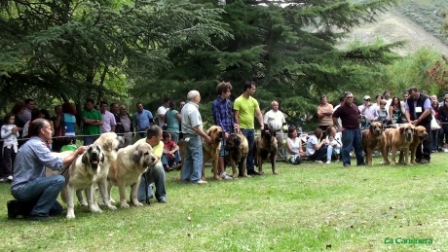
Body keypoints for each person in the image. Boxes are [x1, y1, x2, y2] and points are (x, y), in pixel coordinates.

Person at [9, 119, 87, 220]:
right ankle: (39, 213)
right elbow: (58, 164)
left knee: (57, 209)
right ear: (42, 131)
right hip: (23, 188)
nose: (51, 131)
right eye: (49, 129)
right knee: (59, 180)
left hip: (27, 187)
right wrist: (77, 152)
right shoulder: (36, 145)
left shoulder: (33, 143)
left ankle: (17, 207)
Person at [233, 81, 264, 176]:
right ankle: (241, 170)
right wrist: (239, 129)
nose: (254, 90)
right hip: (242, 129)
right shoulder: (238, 101)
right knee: (241, 149)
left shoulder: (254, 101)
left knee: (250, 149)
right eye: (253, 89)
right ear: (247, 89)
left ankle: (250, 169)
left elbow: (258, 114)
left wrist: (262, 124)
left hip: (251, 129)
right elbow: (236, 116)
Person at [181, 90, 211, 184]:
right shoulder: (193, 110)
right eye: (199, 96)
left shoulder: (184, 107)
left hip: (186, 136)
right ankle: (196, 178)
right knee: (197, 156)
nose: (200, 97)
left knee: (188, 157)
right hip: (193, 136)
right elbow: (196, 128)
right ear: (195, 98)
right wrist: (206, 136)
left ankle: (185, 177)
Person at [212, 81, 237, 180]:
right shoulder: (216, 104)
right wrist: (223, 132)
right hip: (221, 132)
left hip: (229, 130)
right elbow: (218, 120)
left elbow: (230, 117)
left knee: (226, 151)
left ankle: (222, 171)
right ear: (223, 92)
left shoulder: (228, 102)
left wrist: (234, 125)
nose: (230, 93)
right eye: (228, 91)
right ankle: (222, 173)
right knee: (221, 152)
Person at [332, 92, 365, 167]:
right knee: (347, 147)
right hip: (347, 130)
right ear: (345, 99)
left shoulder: (355, 106)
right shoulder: (341, 108)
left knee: (358, 146)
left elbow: (358, 114)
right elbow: (334, 116)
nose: (350, 99)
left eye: (351, 97)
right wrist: (338, 126)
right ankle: (346, 162)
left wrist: (361, 116)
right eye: (348, 97)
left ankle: (360, 162)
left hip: (356, 129)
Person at [136, 125, 168, 203]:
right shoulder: (139, 144)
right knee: (139, 198)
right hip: (139, 174)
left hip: (152, 169)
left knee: (159, 167)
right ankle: (149, 189)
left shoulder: (160, 143)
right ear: (153, 138)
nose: (162, 138)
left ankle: (161, 195)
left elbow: (156, 159)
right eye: (160, 136)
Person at [405, 87, 432, 164]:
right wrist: (409, 120)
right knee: (415, 139)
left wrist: (419, 119)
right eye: (411, 95)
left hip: (424, 121)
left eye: (414, 95)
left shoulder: (425, 98)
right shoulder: (409, 99)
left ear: (417, 92)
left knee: (426, 138)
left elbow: (427, 110)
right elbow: (407, 110)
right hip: (414, 122)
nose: (413, 97)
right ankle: (418, 157)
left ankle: (426, 157)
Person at [1, 113, 20, 182]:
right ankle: (8, 174)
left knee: (15, 159)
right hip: (7, 145)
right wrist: (11, 131)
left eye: (13, 119)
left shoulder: (14, 126)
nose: (12, 120)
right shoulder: (4, 126)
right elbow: (3, 136)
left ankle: (15, 173)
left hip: (14, 144)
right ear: (7, 119)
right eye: (11, 119)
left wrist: (15, 131)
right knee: (7, 159)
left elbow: (17, 135)